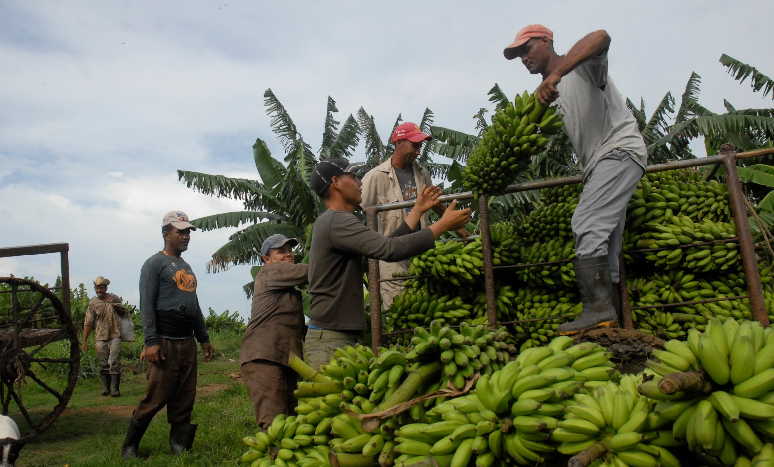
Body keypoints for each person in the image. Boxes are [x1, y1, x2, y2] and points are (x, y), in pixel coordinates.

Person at [504, 25, 647, 333]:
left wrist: (557, 73)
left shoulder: (582, 66)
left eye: (526, 49)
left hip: (618, 151)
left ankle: (596, 309)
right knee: (607, 243)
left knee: (586, 223)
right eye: (518, 56)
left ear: (546, 42)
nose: (523, 59)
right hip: (598, 166)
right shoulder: (545, 95)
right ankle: (611, 322)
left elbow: (602, 36)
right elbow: (531, 137)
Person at [304, 158, 471, 369]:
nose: (359, 182)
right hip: (330, 341)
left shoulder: (334, 221)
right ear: (336, 182)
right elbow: (390, 251)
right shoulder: (338, 221)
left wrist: (417, 212)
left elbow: (383, 248)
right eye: (353, 176)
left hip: (336, 336)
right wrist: (442, 225)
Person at [121, 210, 214, 459]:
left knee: (185, 395)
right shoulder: (154, 264)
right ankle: (130, 447)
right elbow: (146, 304)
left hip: (187, 342)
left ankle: (179, 445)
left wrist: (203, 338)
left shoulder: (186, 267)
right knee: (156, 395)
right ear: (166, 233)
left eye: (187, 232)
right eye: (180, 231)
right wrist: (151, 341)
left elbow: (193, 306)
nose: (186, 236)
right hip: (165, 340)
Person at [361, 122, 469, 309]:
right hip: (392, 255)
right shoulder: (376, 177)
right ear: (399, 142)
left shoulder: (421, 173)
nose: (419, 151)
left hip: (420, 250)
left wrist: (459, 228)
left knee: (424, 303)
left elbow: (433, 202)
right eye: (415, 145)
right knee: (398, 307)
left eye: (420, 146)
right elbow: (360, 210)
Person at [239, 234, 307, 430]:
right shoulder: (270, 272)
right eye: (281, 251)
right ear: (266, 259)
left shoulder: (288, 288)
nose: (289, 255)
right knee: (274, 422)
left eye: (290, 250)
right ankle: (273, 456)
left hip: (284, 358)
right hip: (264, 358)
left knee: (292, 419)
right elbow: (312, 271)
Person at [82, 276, 126, 397]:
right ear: (95, 288)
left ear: (105, 288)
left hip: (115, 335)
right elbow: (88, 323)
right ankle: (105, 388)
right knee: (103, 363)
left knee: (114, 362)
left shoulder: (114, 298)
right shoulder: (93, 303)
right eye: (97, 288)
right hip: (100, 337)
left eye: (101, 287)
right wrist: (84, 341)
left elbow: (123, 314)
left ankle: (115, 389)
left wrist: (117, 306)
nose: (99, 290)